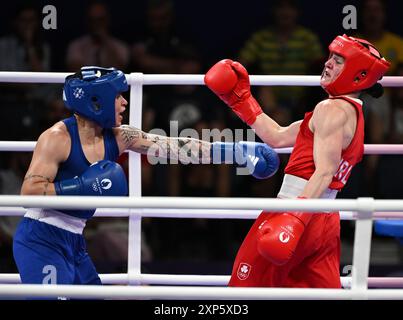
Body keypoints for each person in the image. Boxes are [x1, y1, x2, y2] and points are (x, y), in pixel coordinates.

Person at [13, 66, 279, 286]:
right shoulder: (57, 138)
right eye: (118, 96)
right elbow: (29, 193)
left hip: (75, 240)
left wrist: (234, 151)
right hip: (41, 238)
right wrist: (82, 186)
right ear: (97, 100)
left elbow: (176, 147)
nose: (125, 102)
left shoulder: (120, 137)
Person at [204, 34, 390, 287]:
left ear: (358, 75)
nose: (327, 64)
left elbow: (325, 172)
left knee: (245, 290)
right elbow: (278, 137)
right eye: (330, 57)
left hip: (298, 208)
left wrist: (295, 219)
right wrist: (240, 100)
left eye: (338, 61)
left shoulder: (331, 110)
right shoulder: (347, 112)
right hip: (324, 221)